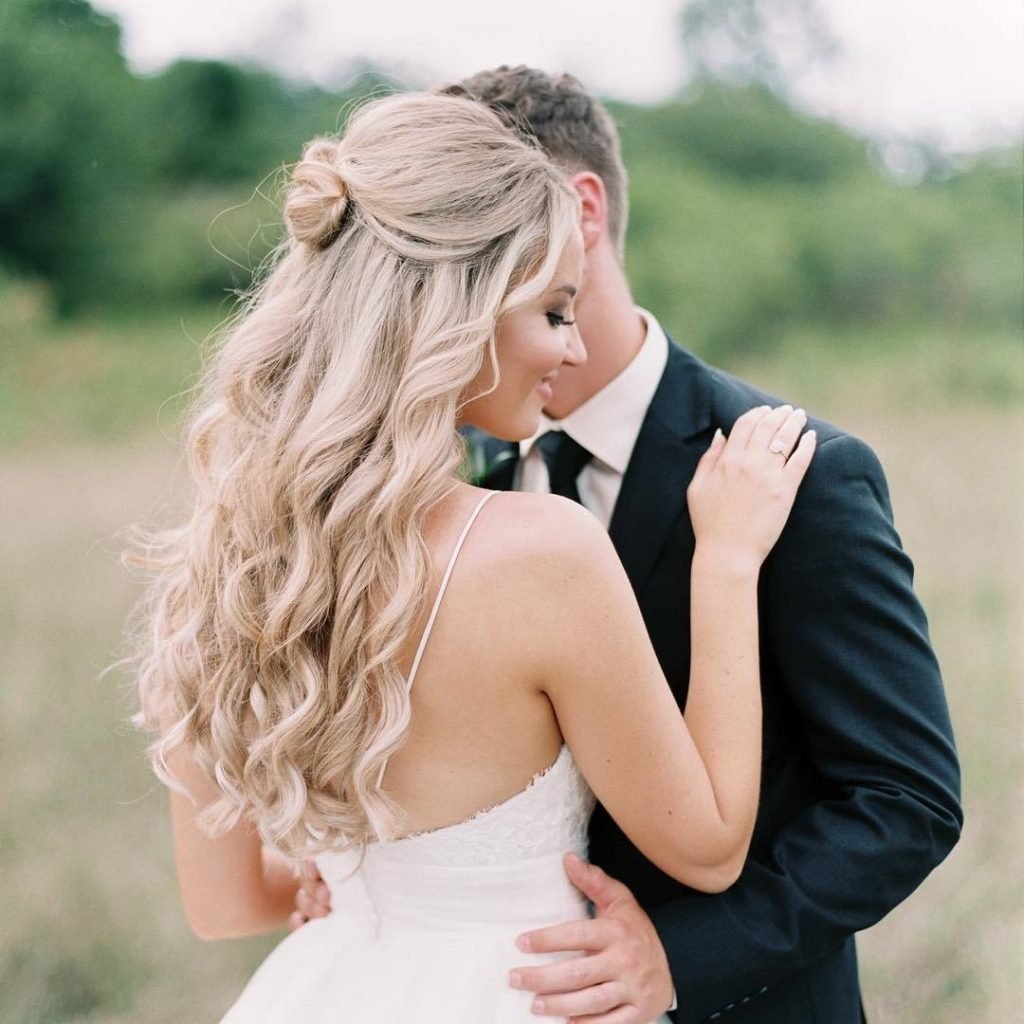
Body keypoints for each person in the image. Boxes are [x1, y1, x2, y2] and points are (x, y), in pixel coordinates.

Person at [292, 68, 964, 1023]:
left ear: (579, 208)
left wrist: (685, 960)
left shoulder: (794, 473)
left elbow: (907, 800)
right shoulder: (436, 470)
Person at [128, 91, 816, 1023]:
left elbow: (221, 906)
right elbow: (707, 846)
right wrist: (726, 563)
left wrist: (361, 887)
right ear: (460, 313)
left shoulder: (220, 568)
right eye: (554, 311)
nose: (571, 348)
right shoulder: (541, 552)